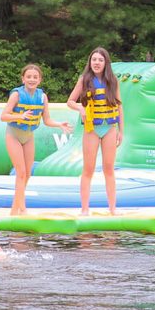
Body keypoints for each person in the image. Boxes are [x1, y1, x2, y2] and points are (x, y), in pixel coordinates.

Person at [0, 64, 72, 215]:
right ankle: (18, 210)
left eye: (35, 77)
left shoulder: (42, 97)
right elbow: (4, 116)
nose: (32, 79)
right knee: (20, 172)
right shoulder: (16, 95)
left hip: (29, 136)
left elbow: (46, 120)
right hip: (13, 134)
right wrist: (20, 115)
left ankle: (18, 205)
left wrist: (59, 124)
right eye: (29, 77)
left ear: (40, 80)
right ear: (23, 79)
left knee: (27, 174)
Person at [66, 47, 124, 216]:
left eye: (100, 60)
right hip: (92, 129)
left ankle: (113, 209)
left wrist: (121, 130)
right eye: (94, 60)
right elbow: (70, 101)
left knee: (109, 169)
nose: (97, 63)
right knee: (88, 169)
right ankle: (84, 209)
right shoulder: (84, 80)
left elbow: (119, 106)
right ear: (90, 62)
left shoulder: (113, 81)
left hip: (109, 128)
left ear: (106, 63)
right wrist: (80, 108)